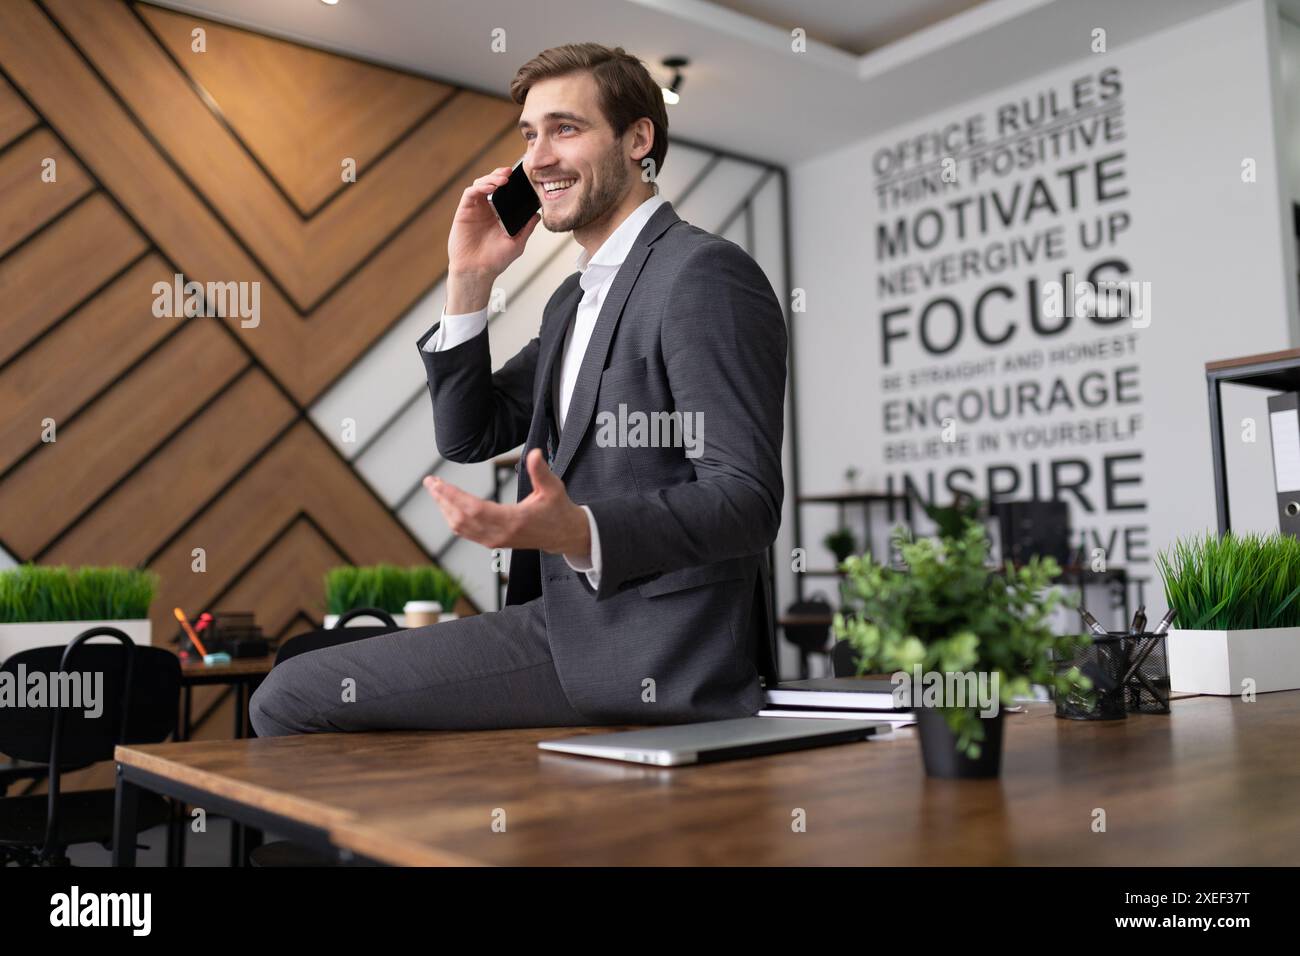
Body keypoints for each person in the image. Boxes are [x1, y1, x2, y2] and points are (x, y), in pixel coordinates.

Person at [250, 42, 786, 736]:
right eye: (529, 134)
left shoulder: (702, 274)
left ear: (638, 139)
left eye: (566, 128)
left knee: (290, 695)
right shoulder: (574, 299)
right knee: (302, 686)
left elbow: (746, 499)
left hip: (648, 650)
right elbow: (470, 433)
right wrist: (469, 280)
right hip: (565, 627)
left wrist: (582, 530)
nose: (537, 157)